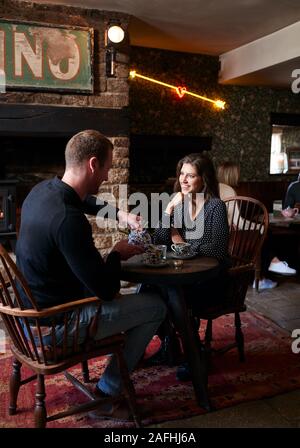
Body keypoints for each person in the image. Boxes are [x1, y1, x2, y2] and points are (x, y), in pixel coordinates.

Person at [16, 129, 167, 420]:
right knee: (155, 306)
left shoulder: (42, 191)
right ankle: (108, 393)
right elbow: (106, 290)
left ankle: (120, 362)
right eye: (108, 169)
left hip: (27, 318)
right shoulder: (68, 221)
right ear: (93, 164)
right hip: (55, 327)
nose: (108, 177)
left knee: (126, 295)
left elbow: (83, 200)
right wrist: (116, 253)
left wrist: (121, 215)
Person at [152, 152, 230, 380]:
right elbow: (159, 240)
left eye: (191, 176)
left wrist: (182, 244)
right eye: (182, 174)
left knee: (177, 296)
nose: (184, 180)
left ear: (203, 180)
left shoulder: (215, 206)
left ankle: (195, 355)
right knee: (149, 290)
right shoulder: (178, 204)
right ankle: (170, 346)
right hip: (185, 273)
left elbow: (215, 250)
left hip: (213, 278)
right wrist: (168, 211)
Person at [217, 162, 296, 290]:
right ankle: (266, 271)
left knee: (260, 234)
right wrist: (260, 228)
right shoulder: (228, 190)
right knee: (261, 233)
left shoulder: (216, 188)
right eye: (237, 173)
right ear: (231, 175)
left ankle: (268, 269)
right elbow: (239, 222)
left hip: (224, 234)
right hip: (229, 236)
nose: (239, 176)